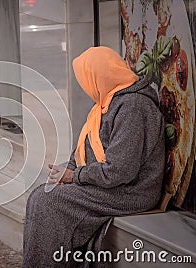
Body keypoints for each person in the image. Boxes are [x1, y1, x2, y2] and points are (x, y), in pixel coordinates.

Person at [22, 46, 165, 267]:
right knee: (40, 196)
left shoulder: (133, 107)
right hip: (110, 184)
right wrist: (65, 172)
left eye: (85, 79)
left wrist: (74, 176)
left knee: (48, 202)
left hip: (131, 190)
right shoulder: (107, 103)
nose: (86, 87)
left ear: (97, 77)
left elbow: (120, 170)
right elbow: (84, 150)